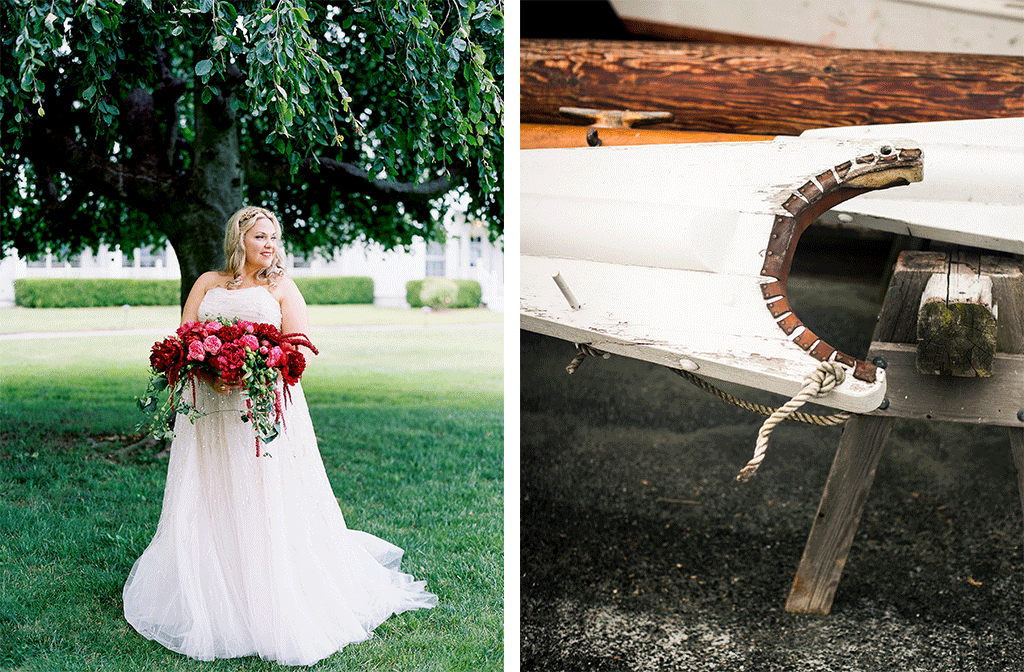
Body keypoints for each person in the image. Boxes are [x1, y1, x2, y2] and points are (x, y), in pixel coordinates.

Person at [123, 206, 437, 666]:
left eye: (274, 237)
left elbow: (295, 351)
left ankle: (269, 587)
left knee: (264, 491)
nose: (269, 244)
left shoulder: (282, 287)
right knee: (211, 489)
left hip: (261, 408)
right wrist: (210, 374)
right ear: (239, 241)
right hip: (209, 408)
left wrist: (251, 375)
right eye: (259, 237)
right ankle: (213, 580)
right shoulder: (207, 283)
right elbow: (186, 338)